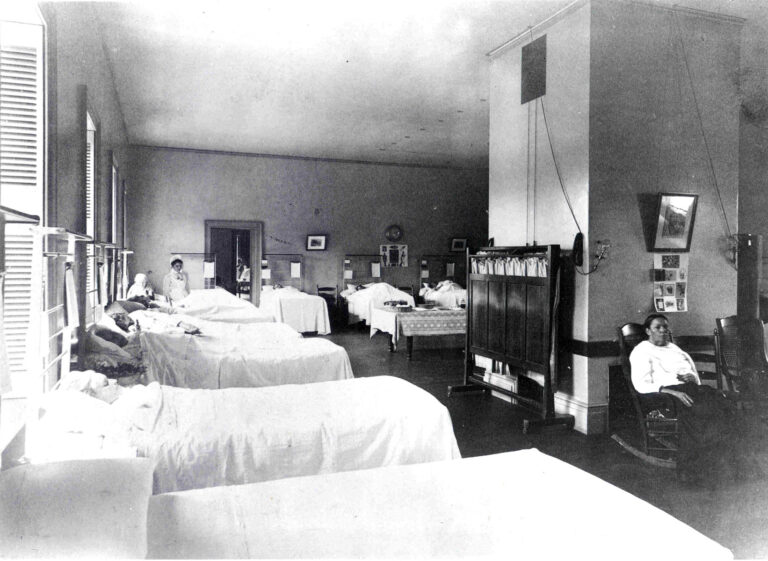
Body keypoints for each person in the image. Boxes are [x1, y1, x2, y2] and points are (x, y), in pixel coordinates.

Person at [630, 313, 755, 486]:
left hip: (689, 388)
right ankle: (694, 471)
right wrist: (673, 392)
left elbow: (690, 370)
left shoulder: (673, 348)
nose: (663, 330)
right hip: (663, 394)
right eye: (658, 327)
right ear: (647, 331)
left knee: (723, 406)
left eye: (665, 327)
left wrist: (692, 377)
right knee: (701, 412)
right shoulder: (641, 351)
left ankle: (724, 464)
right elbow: (640, 384)